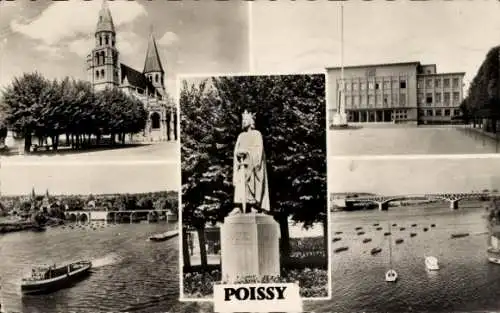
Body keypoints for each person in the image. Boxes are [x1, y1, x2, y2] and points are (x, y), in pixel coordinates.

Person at [231, 110, 270, 215]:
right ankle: (239, 205)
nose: (243, 122)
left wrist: (248, 154)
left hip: (252, 166)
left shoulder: (257, 134)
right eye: (242, 120)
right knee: (240, 185)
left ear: (250, 121)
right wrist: (238, 154)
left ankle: (254, 205)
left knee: (252, 183)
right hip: (242, 166)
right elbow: (236, 151)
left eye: (245, 119)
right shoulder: (241, 136)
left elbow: (259, 151)